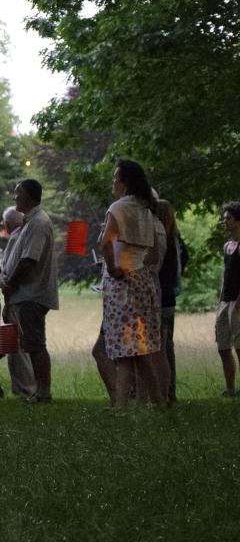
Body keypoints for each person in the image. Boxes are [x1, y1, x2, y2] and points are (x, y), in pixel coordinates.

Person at [98, 159, 164, 408]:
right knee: (141, 348)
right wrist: (136, 262)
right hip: (143, 281)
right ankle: (157, 402)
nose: (113, 182)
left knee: (124, 350)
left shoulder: (119, 208)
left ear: (125, 183)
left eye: (116, 177)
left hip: (122, 284)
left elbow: (106, 242)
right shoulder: (147, 210)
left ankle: (120, 407)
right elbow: (155, 254)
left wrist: (115, 267)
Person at [1, 180, 58, 403]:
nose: (15, 198)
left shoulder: (39, 223)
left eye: (18, 194)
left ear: (30, 197)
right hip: (23, 294)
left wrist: (11, 283)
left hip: (30, 294)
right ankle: (37, 390)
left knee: (35, 345)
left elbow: (28, 260)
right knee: (28, 343)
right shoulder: (29, 222)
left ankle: (43, 391)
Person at [0, 206, 36, 399]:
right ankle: (26, 388)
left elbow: (11, 268)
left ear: (8, 224)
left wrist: (4, 280)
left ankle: (26, 390)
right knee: (19, 344)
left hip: (17, 298)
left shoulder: (16, 237)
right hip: (21, 298)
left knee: (18, 347)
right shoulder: (22, 236)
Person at [154, 199, 182, 402]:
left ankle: (165, 393)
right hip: (170, 297)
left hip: (161, 297)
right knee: (167, 345)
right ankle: (169, 392)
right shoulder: (176, 239)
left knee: (161, 347)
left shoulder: (162, 240)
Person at [216, 201, 240, 398]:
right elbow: (226, 275)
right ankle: (230, 388)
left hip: (238, 302)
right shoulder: (226, 246)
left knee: (239, 346)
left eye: (228, 218)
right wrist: (220, 300)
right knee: (223, 346)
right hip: (224, 301)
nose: (224, 221)